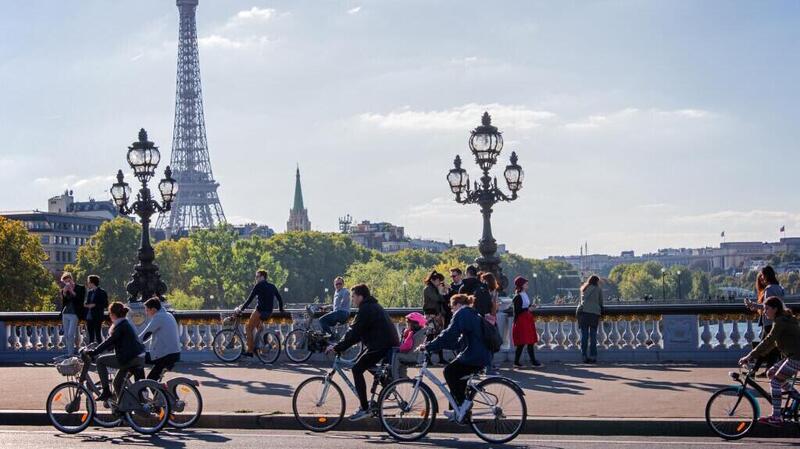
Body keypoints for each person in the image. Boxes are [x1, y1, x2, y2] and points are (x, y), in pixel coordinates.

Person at [328, 284, 399, 421]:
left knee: (357, 369)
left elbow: (355, 333)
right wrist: (341, 345)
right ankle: (387, 383)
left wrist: (337, 348)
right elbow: (355, 331)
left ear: (361, 296)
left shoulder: (366, 308)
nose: (352, 299)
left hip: (381, 345)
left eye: (354, 296)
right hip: (383, 343)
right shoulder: (370, 306)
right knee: (362, 363)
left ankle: (365, 408)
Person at [422, 294, 492, 422]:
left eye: (451, 306)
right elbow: (458, 340)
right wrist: (439, 346)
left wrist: (429, 346)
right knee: (457, 375)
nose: (451, 309)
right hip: (481, 354)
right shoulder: (471, 313)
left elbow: (449, 334)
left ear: (458, 304)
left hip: (474, 356)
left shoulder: (462, 313)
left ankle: (463, 407)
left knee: (449, 371)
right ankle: (458, 411)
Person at [738, 297, 800, 426]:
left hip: (797, 358)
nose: (764, 311)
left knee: (775, 381)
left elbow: (769, 340)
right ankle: (797, 397)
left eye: (766, 308)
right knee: (771, 373)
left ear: (775, 309)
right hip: (793, 356)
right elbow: (772, 343)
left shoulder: (780, 321)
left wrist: (749, 356)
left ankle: (776, 417)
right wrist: (756, 356)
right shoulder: (784, 318)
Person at [87, 302, 146, 402]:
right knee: (116, 383)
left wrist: (94, 352)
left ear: (113, 314)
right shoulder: (125, 323)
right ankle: (123, 408)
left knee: (100, 361)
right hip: (136, 357)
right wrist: (102, 348)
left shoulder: (120, 326)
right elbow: (115, 343)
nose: (109, 316)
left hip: (129, 358)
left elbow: (109, 341)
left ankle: (106, 391)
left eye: (109, 314)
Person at [236, 269, 285, 357]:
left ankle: (250, 351)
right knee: (260, 328)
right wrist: (281, 309)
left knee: (248, 328)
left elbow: (249, 299)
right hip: (269, 312)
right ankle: (258, 346)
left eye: (257, 276)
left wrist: (241, 309)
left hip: (259, 311)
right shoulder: (272, 286)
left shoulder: (258, 286)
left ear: (262, 277)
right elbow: (280, 299)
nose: (256, 278)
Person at [747, 266, 785, 376]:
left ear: (767, 276)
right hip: (778, 320)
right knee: (773, 349)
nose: (762, 278)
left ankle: (754, 371)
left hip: (769, 322)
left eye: (763, 276)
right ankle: (768, 369)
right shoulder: (779, 288)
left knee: (762, 347)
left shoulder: (768, 289)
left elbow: (766, 306)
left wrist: (753, 305)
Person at [139, 297, 181, 381]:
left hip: (165, 355)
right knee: (153, 379)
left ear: (153, 309)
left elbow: (145, 335)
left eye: (147, 310)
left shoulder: (159, 317)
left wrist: (132, 343)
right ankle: (159, 392)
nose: (146, 313)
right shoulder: (168, 315)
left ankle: (142, 390)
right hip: (174, 353)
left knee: (137, 360)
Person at [512, 276, 543, 368]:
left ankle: (527, 361)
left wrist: (531, 306)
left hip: (527, 319)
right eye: (526, 284)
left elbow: (525, 306)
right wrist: (528, 308)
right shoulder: (517, 297)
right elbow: (517, 311)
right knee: (523, 342)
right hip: (522, 321)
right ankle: (521, 362)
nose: (527, 285)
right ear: (521, 285)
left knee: (530, 341)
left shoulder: (524, 294)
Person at [422, 270, 448, 364]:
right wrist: (440, 292)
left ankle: (440, 358)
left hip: (437, 314)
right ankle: (427, 358)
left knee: (439, 336)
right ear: (433, 280)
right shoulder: (428, 289)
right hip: (430, 315)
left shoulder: (434, 288)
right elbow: (437, 299)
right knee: (430, 336)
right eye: (438, 280)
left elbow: (443, 299)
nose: (439, 283)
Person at [577, 275, 603, 364]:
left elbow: (581, 301)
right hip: (594, 315)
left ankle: (584, 356)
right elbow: (601, 302)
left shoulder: (584, 288)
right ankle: (593, 356)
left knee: (584, 336)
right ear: (597, 282)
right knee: (593, 337)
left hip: (584, 314)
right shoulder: (598, 289)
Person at [59, 272, 85, 355]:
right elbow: (64, 302)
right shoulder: (64, 290)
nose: (68, 283)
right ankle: (70, 353)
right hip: (65, 313)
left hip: (74, 313)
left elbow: (80, 300)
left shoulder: (80, 288)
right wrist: (64, 292)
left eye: (69, 280)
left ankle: (72, 353)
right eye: (66, 282)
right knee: (66, 335)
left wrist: (71, 290)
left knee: (71, 334)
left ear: (71, 279)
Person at [396, 312, 427, 378]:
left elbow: (407, 346)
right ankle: (403, 377)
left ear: (416, 324)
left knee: (396, 356)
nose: (407, 325)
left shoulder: (412, 333)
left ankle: (394, 377)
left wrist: (398, 348)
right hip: (415, 355)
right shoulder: (421, 332)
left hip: (411, 356)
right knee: (401, 365)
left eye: (409, 323)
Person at [83, 275, 108, 344]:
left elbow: (105, 304)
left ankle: (99, 351)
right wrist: (85, 304)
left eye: (88, 282)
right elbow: (88, 303)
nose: (88, 283)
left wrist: (95, 305)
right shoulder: (90, 292)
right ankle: (91, 352)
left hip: (97, 316)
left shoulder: (102, 292)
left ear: (92, 282)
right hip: (89, 316)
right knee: (90, 336)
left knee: (98, 335)